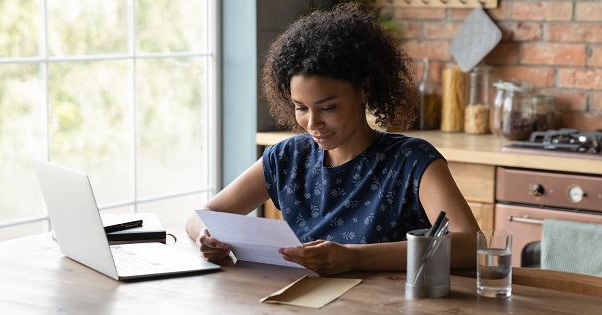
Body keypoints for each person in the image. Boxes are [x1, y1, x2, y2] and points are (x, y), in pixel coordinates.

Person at [186, 3, 480, 276]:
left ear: (364, 89)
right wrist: (205, 236)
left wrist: (355, 257)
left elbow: (469, 244)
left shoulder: (412, 160)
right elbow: (201, 216)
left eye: (328, 107)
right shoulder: (287, 158)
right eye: (301, 108)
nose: (313, 124)